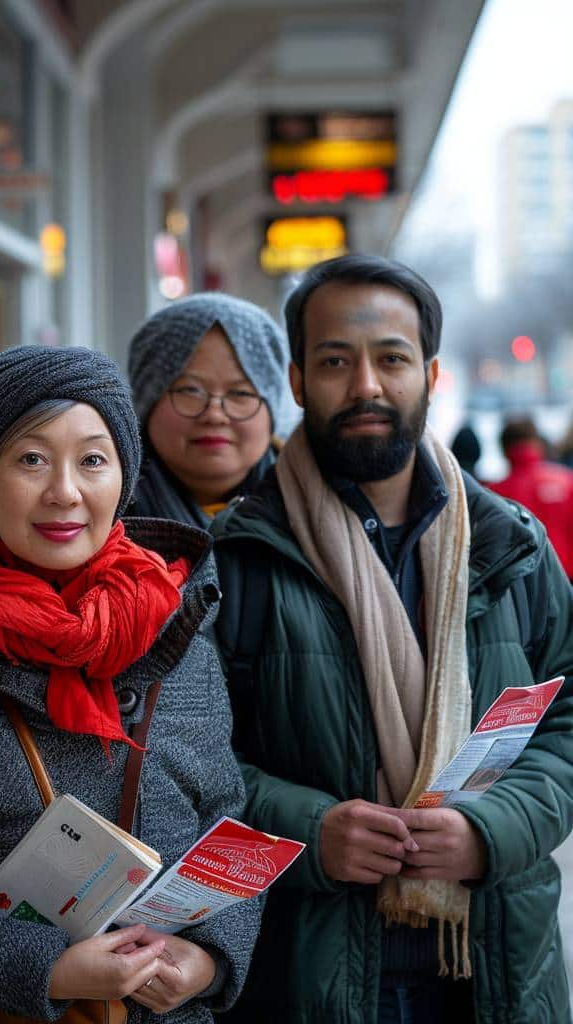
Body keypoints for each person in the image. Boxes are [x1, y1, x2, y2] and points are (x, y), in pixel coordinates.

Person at [209, 255, 573, 1023]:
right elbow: (190, 766)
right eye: (336, 361)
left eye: (392, 358)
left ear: (431, 375)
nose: (367, 385)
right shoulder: (234, 558)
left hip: (495, 966)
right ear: (299, 382)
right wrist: (312, 834)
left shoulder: (512, 548)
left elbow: (567, 723)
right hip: (307, 973)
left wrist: (490, 830)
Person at [0, 345, 261, 1023]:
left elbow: (224, 820)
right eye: (31, 459)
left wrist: (208, 958)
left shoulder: (177, 633)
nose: (65, 492)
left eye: (93, 460)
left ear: (124, 475)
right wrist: (50, 969)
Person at [126, 293, 291, 526]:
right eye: (190, 390)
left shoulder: (313, 512)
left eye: (240, 393)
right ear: (146, 402)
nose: (214, 415)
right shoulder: (98, 517)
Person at [487, 416, 573, 578]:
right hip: (567, 577)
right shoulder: (567, 481)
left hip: (519, 586)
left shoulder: (493, 494)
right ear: (537, 445)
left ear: (504, 450)